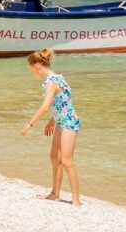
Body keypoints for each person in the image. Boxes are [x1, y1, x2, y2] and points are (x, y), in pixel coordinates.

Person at [21, 48, 81, 205]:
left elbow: (46, 106)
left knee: (67, 161)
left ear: (37, 67)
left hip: (69, 123)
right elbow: (61, 103)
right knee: (54, 157)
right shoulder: (58, 78)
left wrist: (29, 124)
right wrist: (52, 121)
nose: (33, 74)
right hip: (60, 122)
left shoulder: (51, 82)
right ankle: (55, 194)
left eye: (32, 71)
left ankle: (76, 200)